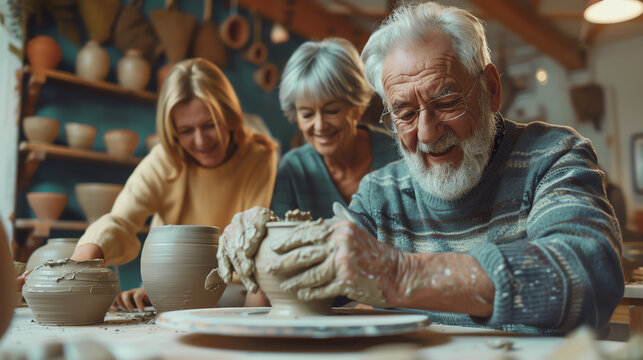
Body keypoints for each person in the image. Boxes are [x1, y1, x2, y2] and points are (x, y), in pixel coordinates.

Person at [216, 2, 623, 334]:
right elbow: (318, 284)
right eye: (405, 113)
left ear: (491, 90)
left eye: (446, 102)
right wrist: (265, 243)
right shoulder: (381, 193)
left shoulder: (553, 156)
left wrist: (400, 272)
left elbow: (588, 274)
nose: (427, 134)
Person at [18, 58, 278, 311]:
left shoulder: (259, 156)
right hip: (170, 287)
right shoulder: (166, 160)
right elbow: (120, 221)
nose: (200, 141)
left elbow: (251, 240)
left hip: (235, 290)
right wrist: (74, 266)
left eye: (209, 125)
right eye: (186, 130)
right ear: (173, 130)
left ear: (229, 116)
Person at [271, 37, 400, 219]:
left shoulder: (395, 153)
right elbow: (278, 240)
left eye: (331, 111)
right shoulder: (293, 170)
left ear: (357, 108)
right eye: (307, 114)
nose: (320, 125)